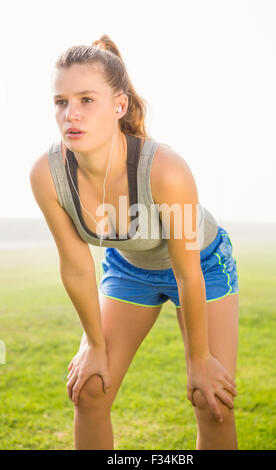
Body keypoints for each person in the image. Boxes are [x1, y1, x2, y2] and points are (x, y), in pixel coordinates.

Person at [29, 34, 240, 450]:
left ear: (119, 106)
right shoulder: (46, 174)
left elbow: (187, 270)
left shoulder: (165, 169)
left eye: (87, 100)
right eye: (61, 102)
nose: (71, 113)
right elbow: (76, 265)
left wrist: (199, 361)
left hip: (202, 265)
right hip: (129, 268)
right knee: (90, 388)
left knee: (210, 400)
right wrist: (93, 343)